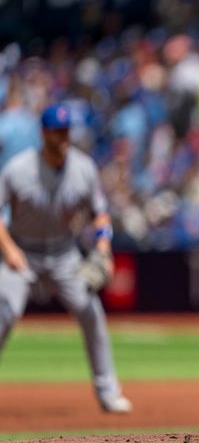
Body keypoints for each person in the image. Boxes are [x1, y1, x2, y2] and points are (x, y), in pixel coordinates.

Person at [0, 103, 132, 413]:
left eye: (66, 130)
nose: (63, 136)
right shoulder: (18, 169)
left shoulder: (83, 167)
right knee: (4, 315)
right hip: (23, 250)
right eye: (57, 130)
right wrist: (9, 251)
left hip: (63, 253)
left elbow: (99, 215)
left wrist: (103, 250)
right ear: (44, 133)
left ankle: (108, 391)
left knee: (91, 314)